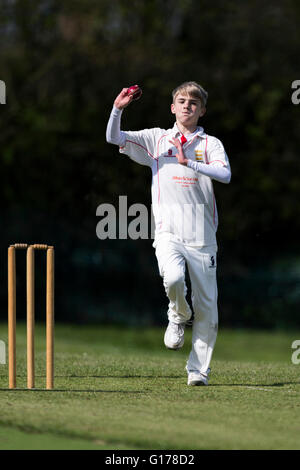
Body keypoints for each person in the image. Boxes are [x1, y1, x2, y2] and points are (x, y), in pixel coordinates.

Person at [106, 81, 231, 386]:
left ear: (201, 110)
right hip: (168, 232)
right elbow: (114, 138)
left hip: (202, 236)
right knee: (173, 279)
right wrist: (117, 110)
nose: (187, 105)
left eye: (193, 102)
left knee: (207, 307)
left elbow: (225, 175)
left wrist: (193, 164)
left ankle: (198, 370)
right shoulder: (156, 140)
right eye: (181, 101)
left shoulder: (210, 144)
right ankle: (177, 313)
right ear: (172, 107)